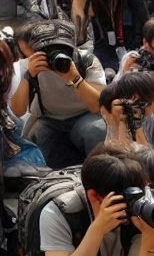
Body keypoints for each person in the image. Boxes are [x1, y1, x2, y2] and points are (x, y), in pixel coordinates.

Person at [12, 20, 106, 169]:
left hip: (85, 115)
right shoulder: (30, 64)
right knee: (36, 140)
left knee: (96, 130)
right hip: (50, 119)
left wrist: (75, 77)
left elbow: (97, 106)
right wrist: (29, 76)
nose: (50, 54)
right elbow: (18, 110)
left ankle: (101, 174)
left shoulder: (85, 60)